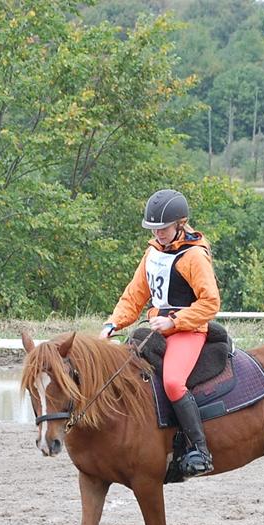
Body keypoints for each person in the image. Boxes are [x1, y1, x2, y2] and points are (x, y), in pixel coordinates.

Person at [100, 189, 221, 477]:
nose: (158, 233)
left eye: (163, 228)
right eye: (154, 228)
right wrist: (112, 325)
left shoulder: (193, 256)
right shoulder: (152, 252)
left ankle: (200, 450)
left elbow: (210, 302)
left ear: (181, 223)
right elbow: (135, 296)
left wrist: (175, 322)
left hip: (188, 329)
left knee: (173, 383)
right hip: (156, 329)